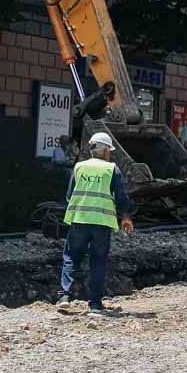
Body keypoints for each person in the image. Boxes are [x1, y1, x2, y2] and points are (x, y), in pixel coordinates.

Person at [57, 131, 134, 316]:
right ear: (106, 150)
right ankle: (95, 305)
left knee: (71, 257)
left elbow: (69, 195)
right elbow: (121, 197)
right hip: (101, 223)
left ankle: (64, 297)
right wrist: (125, 216)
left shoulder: (79, 167)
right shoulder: (112, 169)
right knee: (98, 261)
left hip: (79, 220)